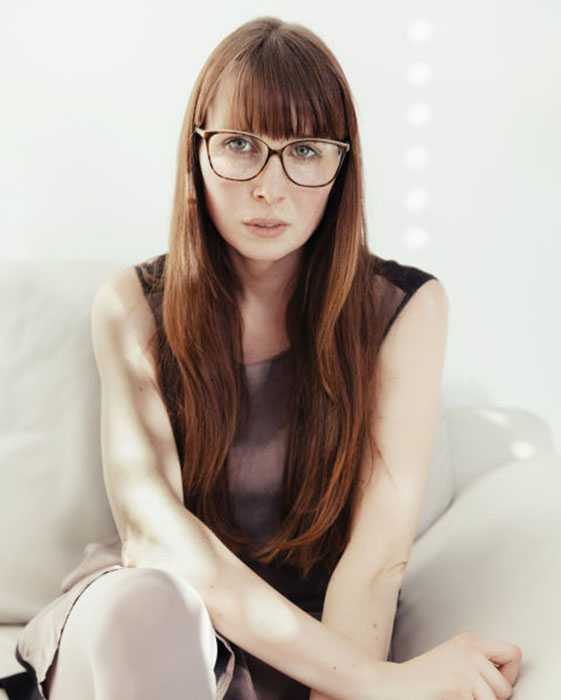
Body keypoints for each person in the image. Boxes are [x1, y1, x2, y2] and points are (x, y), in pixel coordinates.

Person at [0, 15, 522, 700]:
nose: (269, 188)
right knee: (148, 601)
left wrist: (342, 686)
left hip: (314, 638)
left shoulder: (404, 311)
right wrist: (378, 684)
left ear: (342, 165)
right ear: (198, 152)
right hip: (150, 621)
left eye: (304, 150)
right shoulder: (132, 305)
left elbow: (375, 561)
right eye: (240, 144)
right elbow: (154, 536)